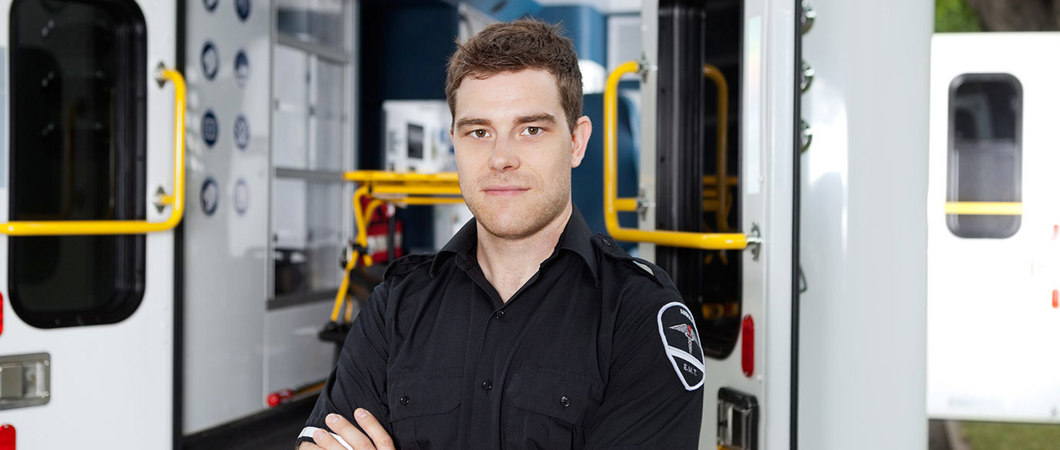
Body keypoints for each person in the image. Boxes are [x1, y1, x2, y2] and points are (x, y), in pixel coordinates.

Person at [297, 19, 704, 450]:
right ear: (454, 142)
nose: (501, 158)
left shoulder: (639, 314)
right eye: (479, 132)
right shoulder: (396, 305)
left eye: (531, 130)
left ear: (577, 142)